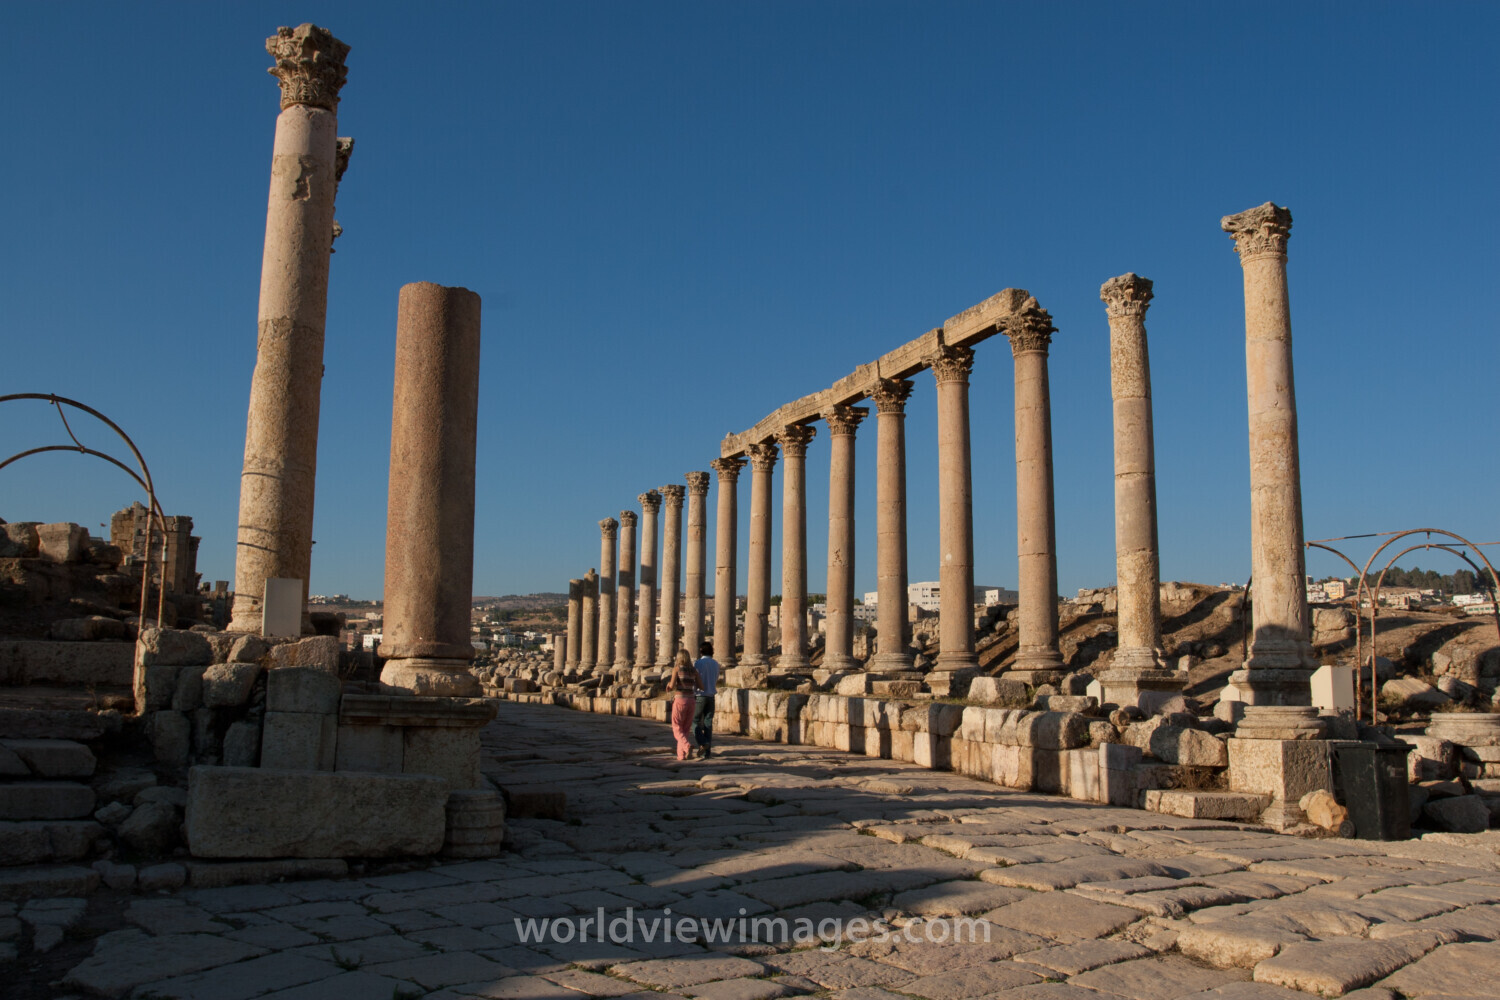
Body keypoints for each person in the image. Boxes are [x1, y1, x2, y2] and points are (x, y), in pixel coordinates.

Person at [666, 649, 700, 761]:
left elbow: (671, 686)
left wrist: (668, 686)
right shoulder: (694, 671)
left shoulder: (677, 669)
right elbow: (702, 686)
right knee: (685, 729)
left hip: (680, 700)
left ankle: (687, 746)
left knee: (676, 728)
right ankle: (681, 755)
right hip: (691, 701)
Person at [692, 640, 720, 759]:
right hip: (711, 696)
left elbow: (695, 680)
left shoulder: (697, 664)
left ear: (701, 651)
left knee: (694, 721)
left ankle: (703, 742)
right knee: (708, 723)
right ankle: (706, 752)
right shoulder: (716, 664)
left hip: (699, 696)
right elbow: (716, 678)